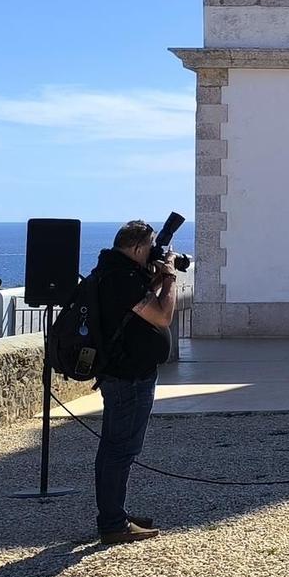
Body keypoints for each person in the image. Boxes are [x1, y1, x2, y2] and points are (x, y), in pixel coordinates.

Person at [89, 220, 179, 544]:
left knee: (114, 447)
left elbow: (135, 310)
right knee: (120, 450)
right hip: (129, 377)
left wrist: (153, 281)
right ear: (139, 248)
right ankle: (113, 523)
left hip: (121, 373)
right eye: (151, 247)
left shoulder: (112, 272)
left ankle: (115, 515)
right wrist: (169, 277)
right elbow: (162, 316)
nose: (153, 253)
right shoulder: (121, 278)